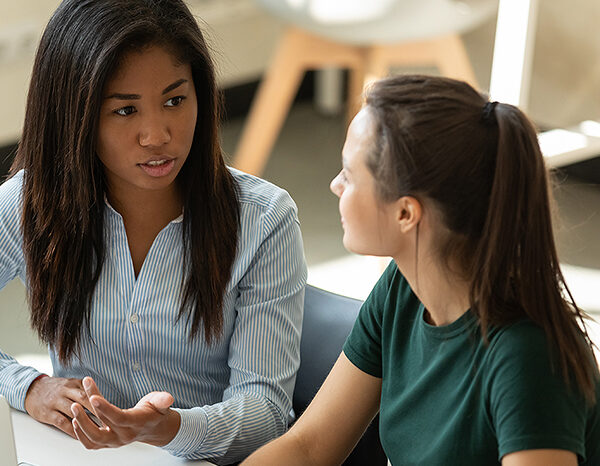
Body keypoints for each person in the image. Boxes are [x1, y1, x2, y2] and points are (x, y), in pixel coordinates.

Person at [0, 0, 306, 463]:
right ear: (74, 116)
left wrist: (167, 428)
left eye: (175, 101)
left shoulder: (264, 220)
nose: (157, 134)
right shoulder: (31, 205)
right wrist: (30, 387)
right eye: (125, 111)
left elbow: (265, 414)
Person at [242, 75, 600, 465]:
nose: (334, 185)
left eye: (349, 174)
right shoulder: (402, 289)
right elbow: (309, 447)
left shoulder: (526, 357)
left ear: (405, 213)